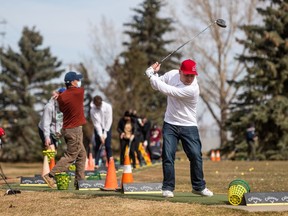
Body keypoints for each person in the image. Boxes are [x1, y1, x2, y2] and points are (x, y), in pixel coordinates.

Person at [145, 59, 213, 198]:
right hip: (170, 123)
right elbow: (157, 85)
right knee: (168, 155)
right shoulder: (171, 74)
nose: (189, 78)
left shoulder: (193, 89)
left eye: (192, 76)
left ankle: (199, 186)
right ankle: (168, 187)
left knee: (195, 155)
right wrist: (154, 75)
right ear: (180, 71)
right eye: (187, 75)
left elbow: (169, 90)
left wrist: (150, 74)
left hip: (189, 125)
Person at [42, 71, 87, 189]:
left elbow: (62, 108)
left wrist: (58, 93)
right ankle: (50, 175)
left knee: (82, 155)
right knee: (71, 156)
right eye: (77, 80)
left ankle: (80, 182)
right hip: (75, 130)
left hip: (67, 129)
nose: (78, 82)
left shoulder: (61, 98)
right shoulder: (79, 92)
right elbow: (81, 89)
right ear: (72, 82)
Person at [90, 95, 113, 168]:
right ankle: (96, 164)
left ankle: (110, 164)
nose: (97, 106)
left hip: (107, 127)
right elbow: (96, 123)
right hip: (98, 128)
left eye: (98, 105)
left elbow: (109, 120)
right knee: (98, 146)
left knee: (108, 146)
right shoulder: (92, 110)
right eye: (96, 105)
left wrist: (105, 133)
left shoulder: (108, 107)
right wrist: (100, 135)